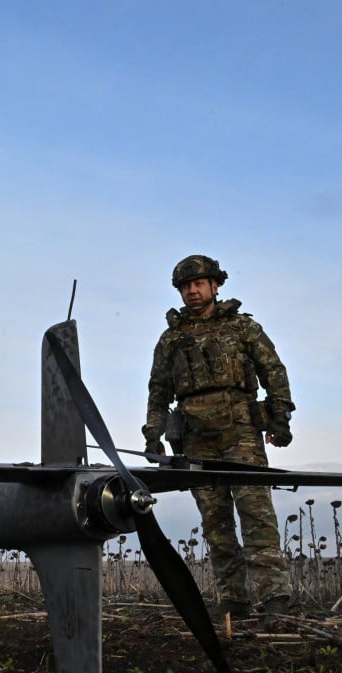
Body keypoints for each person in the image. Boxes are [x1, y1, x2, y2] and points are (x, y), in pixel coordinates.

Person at [143, 254, 294, 620]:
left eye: (198, 284)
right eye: (185, 286)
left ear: (215, 285)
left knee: (256, 514)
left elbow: (272, 369)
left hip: (240, 430)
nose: (191, 291)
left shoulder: (243, 328)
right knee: (215, 522)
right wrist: (153, 435)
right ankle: (234, 600)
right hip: (195, 436)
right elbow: (159, 389)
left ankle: (275, 599)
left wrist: (280, 416)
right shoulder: (171, 339)